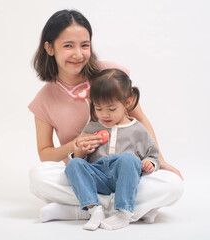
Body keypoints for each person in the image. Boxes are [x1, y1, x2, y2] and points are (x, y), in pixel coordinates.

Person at [28, 9, 183, 225]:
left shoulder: (110, 74)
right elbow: (45, 154)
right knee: (38, 176)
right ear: (49, 47)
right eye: (68, 45)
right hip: (87, 172)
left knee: (173, 185)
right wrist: (74, 146)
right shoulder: (44, 99)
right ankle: (129, 208)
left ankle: (83, 209)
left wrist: (159, 160)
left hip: (127, 170)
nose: (78, 54)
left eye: (84, 45)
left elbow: (141, 119)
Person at [65, 68, 161, 230]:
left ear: (127, 103)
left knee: (130, 160)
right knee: (72, 165)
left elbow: (153, 155)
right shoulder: (92, 127)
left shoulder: (137, 129)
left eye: (111, 109)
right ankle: (94, 209)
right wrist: (80, 152)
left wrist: (149, 162)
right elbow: (82, 163)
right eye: (99, 108)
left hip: (125, 179)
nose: (105, 115)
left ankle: (124, 212)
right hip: (99, 178)